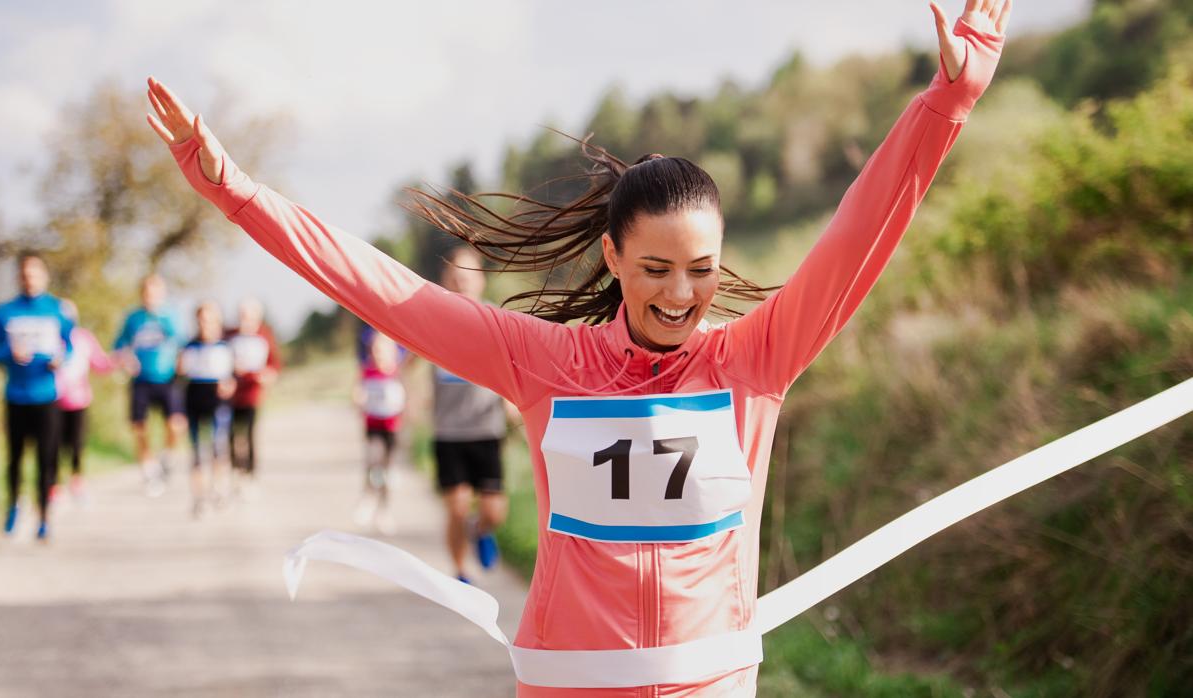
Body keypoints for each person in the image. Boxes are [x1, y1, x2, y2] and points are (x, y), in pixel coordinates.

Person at [146, 2, 1008, 692]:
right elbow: (381, 289)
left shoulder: (755, 360)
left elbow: (861, 228)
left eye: (701, 270)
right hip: (567, 682)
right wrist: (238, 193)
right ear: (612, 259)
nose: (680, 294)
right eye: (657, 269)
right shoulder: (542, 362)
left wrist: (947, 103)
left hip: (707, 681)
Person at [0, 254, 74, 541]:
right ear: (19, 278)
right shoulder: (5, 312)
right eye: (25, 274)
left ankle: (44, 517)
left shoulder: (56, 310)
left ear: (44, 276)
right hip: (16, 396)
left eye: (35, 274)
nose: (30, 279)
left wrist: (60, 357)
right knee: (15, 458)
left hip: (47, 396)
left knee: (47, 459)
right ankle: (13, 505)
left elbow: (69, 343)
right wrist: (9, 354)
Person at [433, 248, 513, 583]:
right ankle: (460, 571)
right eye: (455, 278)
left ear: (481, 281)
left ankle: (481, 529)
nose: (461, 283)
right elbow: (404, 356)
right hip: (449, 432)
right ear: (445, 283)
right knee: (457, 507)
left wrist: (513, 402)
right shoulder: (432, 321)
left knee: (494, 511)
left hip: (487, 429)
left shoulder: (497, 320)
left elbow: (515, 366)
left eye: (467, 277)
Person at [114, 274, 185, 496]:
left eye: (155, 292)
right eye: (147, 292)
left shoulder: (170, 317)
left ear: (162, 294)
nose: (151, 297)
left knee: (175, 424)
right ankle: (149, 469)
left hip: (167, 378)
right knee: (139, 427)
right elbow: (119, 346)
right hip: (141, 380)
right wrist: (126, 361)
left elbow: (182, 345)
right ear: (142, 294)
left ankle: (168, 455)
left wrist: (181, 365)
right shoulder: (133, 319)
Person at [53, 299, 115, 504]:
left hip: (79, 400)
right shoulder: (52, 338)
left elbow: (100, 363)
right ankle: (54, 486)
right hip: (52, 398)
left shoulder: (84, 338)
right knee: (53, 444)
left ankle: (77, 482)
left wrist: (118, 360)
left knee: (77, 444)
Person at [179, 301, 235, 517]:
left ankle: (219, 489)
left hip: (218, 403)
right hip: (194, 400)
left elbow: (235, 375)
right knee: (196, 452)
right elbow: (178, 377)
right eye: (202, 319)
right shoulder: (189, 346)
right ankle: (199, 498)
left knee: (218, 448)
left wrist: (230, 385)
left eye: (210, 319)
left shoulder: (226, 346)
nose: (206, 324)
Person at [352, 331, 406, 535]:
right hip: (373, 426)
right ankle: (367, 498)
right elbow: (357, 392)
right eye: (374, 350)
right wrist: (358, 399)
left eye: (382, 350)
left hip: (392, 428)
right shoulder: (367, 371)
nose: (378, 354)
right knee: (373, 462)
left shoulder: (397, 373)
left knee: (387, 473)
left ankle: (384, 510)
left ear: (392, 352)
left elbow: (406, 398)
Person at [226, 298, 281, 495]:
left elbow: (274, 364)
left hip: (253, 394)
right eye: (242, 315)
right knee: (231, 435)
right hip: (232, 395)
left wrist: (267, 376)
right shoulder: (229, 335)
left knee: (249, 435)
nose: (245, 320)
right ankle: (235, 470)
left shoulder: (264, 335)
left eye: (249, 316)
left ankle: (250, 474)